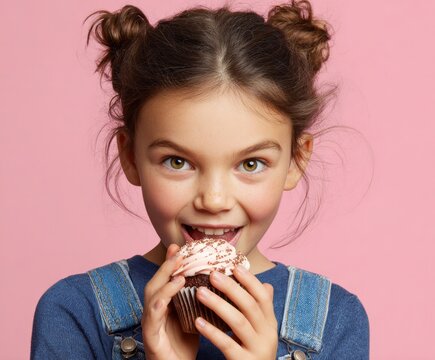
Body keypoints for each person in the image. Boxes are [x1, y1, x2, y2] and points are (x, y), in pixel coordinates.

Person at [30, 1, 370, 359]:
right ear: (130, 156)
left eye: (251, 164)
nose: (214, 199)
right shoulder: (74, 313)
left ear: (294, 161)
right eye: (177, 162)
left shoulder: (335, 321)